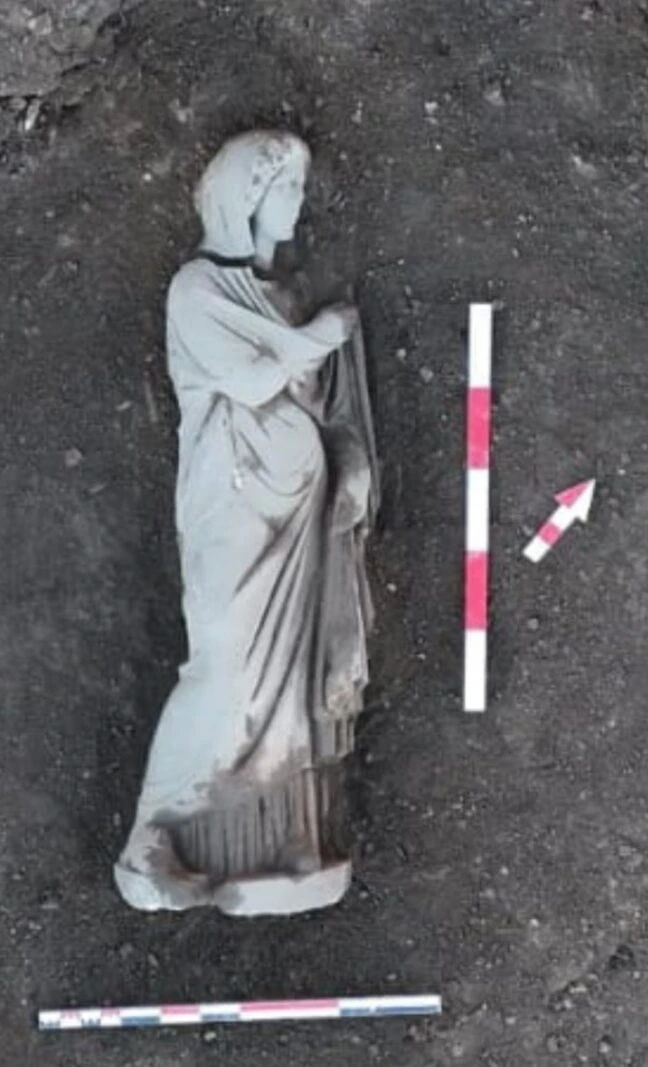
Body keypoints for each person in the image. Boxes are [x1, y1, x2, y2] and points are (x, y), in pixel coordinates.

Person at [113, 130, 379, 916]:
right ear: (245, 202)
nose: (297, 205)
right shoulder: (196, 292)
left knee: (287, 683)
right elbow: (254, 378)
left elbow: (320, 405)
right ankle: (148, 843)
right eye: (285, 191)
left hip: (296, 510)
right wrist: (317, 340)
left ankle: (286, 840)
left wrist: (350, 460)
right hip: (232, 506)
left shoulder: (282, 299)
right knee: (223, 669)